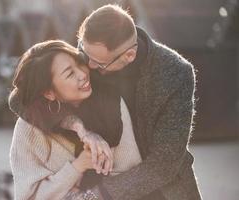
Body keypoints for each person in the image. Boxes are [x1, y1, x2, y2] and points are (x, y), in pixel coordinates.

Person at [62, 4, 201, 200]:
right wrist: (82, 129)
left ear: (129, 55)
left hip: (161, 191)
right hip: (91, 180)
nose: (88, 66)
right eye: (85, 53)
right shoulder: (87, 55)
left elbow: (165, 162)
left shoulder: (175, 73)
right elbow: (23, 101)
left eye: (99, 63)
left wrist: (98, 195)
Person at [9, 40, 142, 199]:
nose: (82, 74)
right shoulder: (28, 128)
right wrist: (78, 166)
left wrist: (94, 188)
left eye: (79, 63)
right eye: (70, 73)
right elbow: (28, 196)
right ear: (49, 93)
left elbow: (132, 174)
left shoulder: (113, 104)